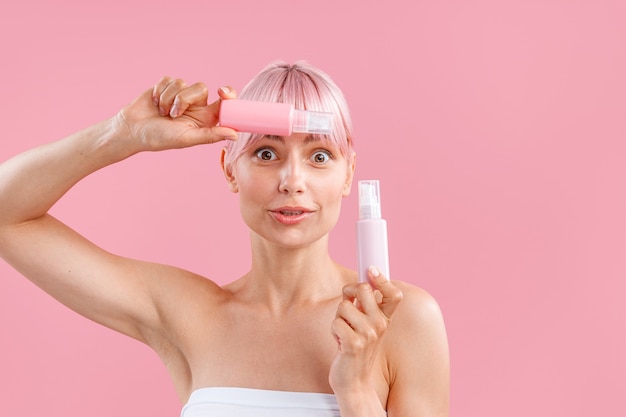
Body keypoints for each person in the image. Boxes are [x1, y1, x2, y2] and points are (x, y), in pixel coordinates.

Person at [0, 61, 449, 416]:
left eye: (319, 155)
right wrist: (123, 134)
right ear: (229, 169)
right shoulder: (188, 313)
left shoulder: (402, 321)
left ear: (348, 173)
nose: (293, 181)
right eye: (266, 153)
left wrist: (355, 392)